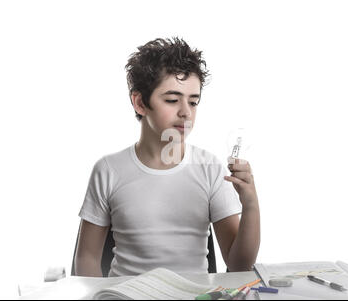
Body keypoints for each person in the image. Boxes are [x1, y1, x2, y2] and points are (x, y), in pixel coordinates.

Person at [74, 37, 260, 277]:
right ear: (140, 103)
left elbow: (239, 266)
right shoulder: (108, 170)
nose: (186, 112)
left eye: (193, 102)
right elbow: (86, 258)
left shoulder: (209, 168)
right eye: (172, 100)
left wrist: (251, 204)